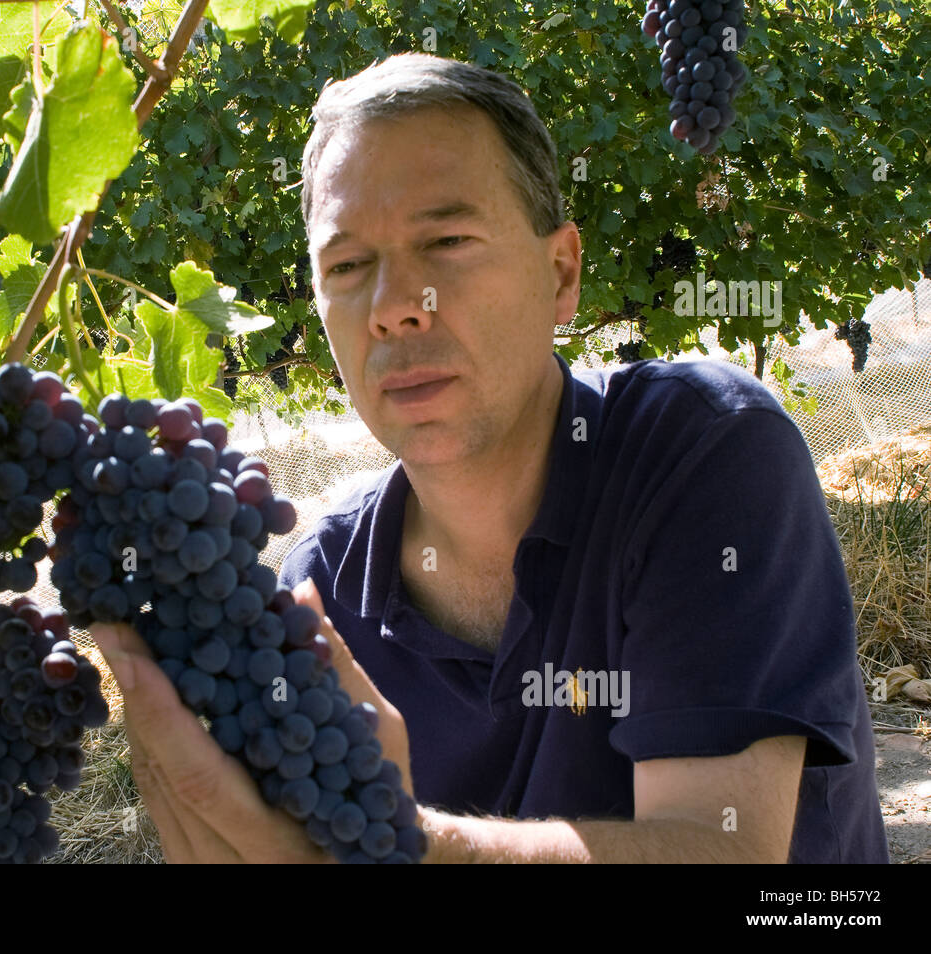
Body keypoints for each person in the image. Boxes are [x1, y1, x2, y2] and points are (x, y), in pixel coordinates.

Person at [90, 52, 888, 863]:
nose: (397, 307)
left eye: (447, 240)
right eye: (349, 266)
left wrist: (404, 847)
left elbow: (720, 854)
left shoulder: (704, 450)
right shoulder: (320, 592)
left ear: (562, 272)